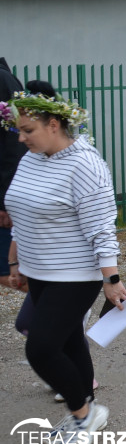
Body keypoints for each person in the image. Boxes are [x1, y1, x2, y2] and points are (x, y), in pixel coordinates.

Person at [4, 83, 126, 444]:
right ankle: (84, 411)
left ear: (54, 125)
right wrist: (18, 261)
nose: (21, 137)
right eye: (19, 130)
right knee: (71, 342)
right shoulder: (33, 157)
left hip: (75, 275)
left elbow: (102, 227)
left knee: (41, 349)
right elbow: (22, 211)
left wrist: (112, 280)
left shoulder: (85, 164)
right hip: (40, 271)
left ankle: (84, 415)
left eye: (28, 130)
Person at [0, 57, 28, 290]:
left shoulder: (3, 81)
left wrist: (5, 202)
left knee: (13, 276)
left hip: (2, 196)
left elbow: (14, 145)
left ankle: (65, 302)